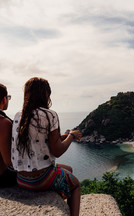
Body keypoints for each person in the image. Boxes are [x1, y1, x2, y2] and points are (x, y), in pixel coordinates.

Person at [11, 77, 81, 216]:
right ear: (46, 94)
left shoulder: (19, 115)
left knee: (69, 169)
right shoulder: (50, 115)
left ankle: (59, 205)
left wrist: (63, 136)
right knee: (76, 185)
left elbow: (39, 140)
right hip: (40, 178)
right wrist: (71, 136)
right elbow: (58, 151)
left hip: (21, 179)